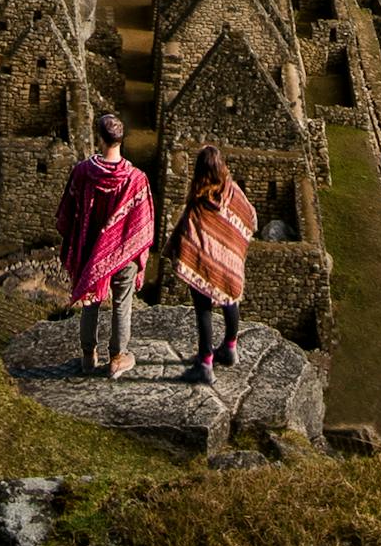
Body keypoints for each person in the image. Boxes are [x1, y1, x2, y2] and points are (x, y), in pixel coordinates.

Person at [55, 112, 155, 380]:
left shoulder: (84, 172)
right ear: (121, 140)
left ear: (100, 139)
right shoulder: (136, 179)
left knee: (91, 299)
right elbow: (143, 222)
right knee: (122, 303)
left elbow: (67, 212)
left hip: (91, 250)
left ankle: (88, 357)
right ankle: (117, 359)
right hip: (123, 253)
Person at [169, 144, 256, 385]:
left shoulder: (199, 203)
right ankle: (230, 347)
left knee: (204, 310)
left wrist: (179, 250)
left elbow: (188, 238)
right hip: (230, 265)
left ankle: (206, 363)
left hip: (204, 265)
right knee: (231, 301)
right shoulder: (233, 191)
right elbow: (250, 216)